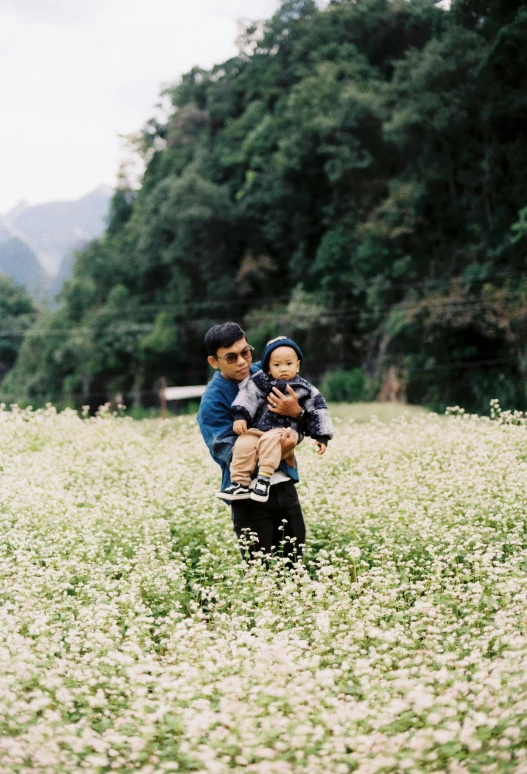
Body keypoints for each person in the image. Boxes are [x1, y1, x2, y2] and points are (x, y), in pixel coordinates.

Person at [197, 322, 306, 563]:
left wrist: (297, 412)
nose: (243, 362)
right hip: (246, 498)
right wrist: (281, 449)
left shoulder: (268, 372)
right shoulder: (212, 402)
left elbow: (307, 413)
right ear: (214, 362)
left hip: (285, 488)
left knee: (295, 567)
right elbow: (229, 453)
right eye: (231, 357)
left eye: (245, 352)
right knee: (260, 573)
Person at [217, 336, 334, 504]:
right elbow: (248, 395)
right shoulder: (260, 381)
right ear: (268, 368)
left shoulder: (305, 388)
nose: (283, 369)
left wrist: (322, 436)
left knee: (271, 440)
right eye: (277, 365)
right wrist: (240, 416)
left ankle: (263, 480)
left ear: (298, 365)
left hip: (285, 431)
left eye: (289, 364)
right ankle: (240, 483)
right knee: (244, 442)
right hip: (259, 429)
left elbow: (318, 410)